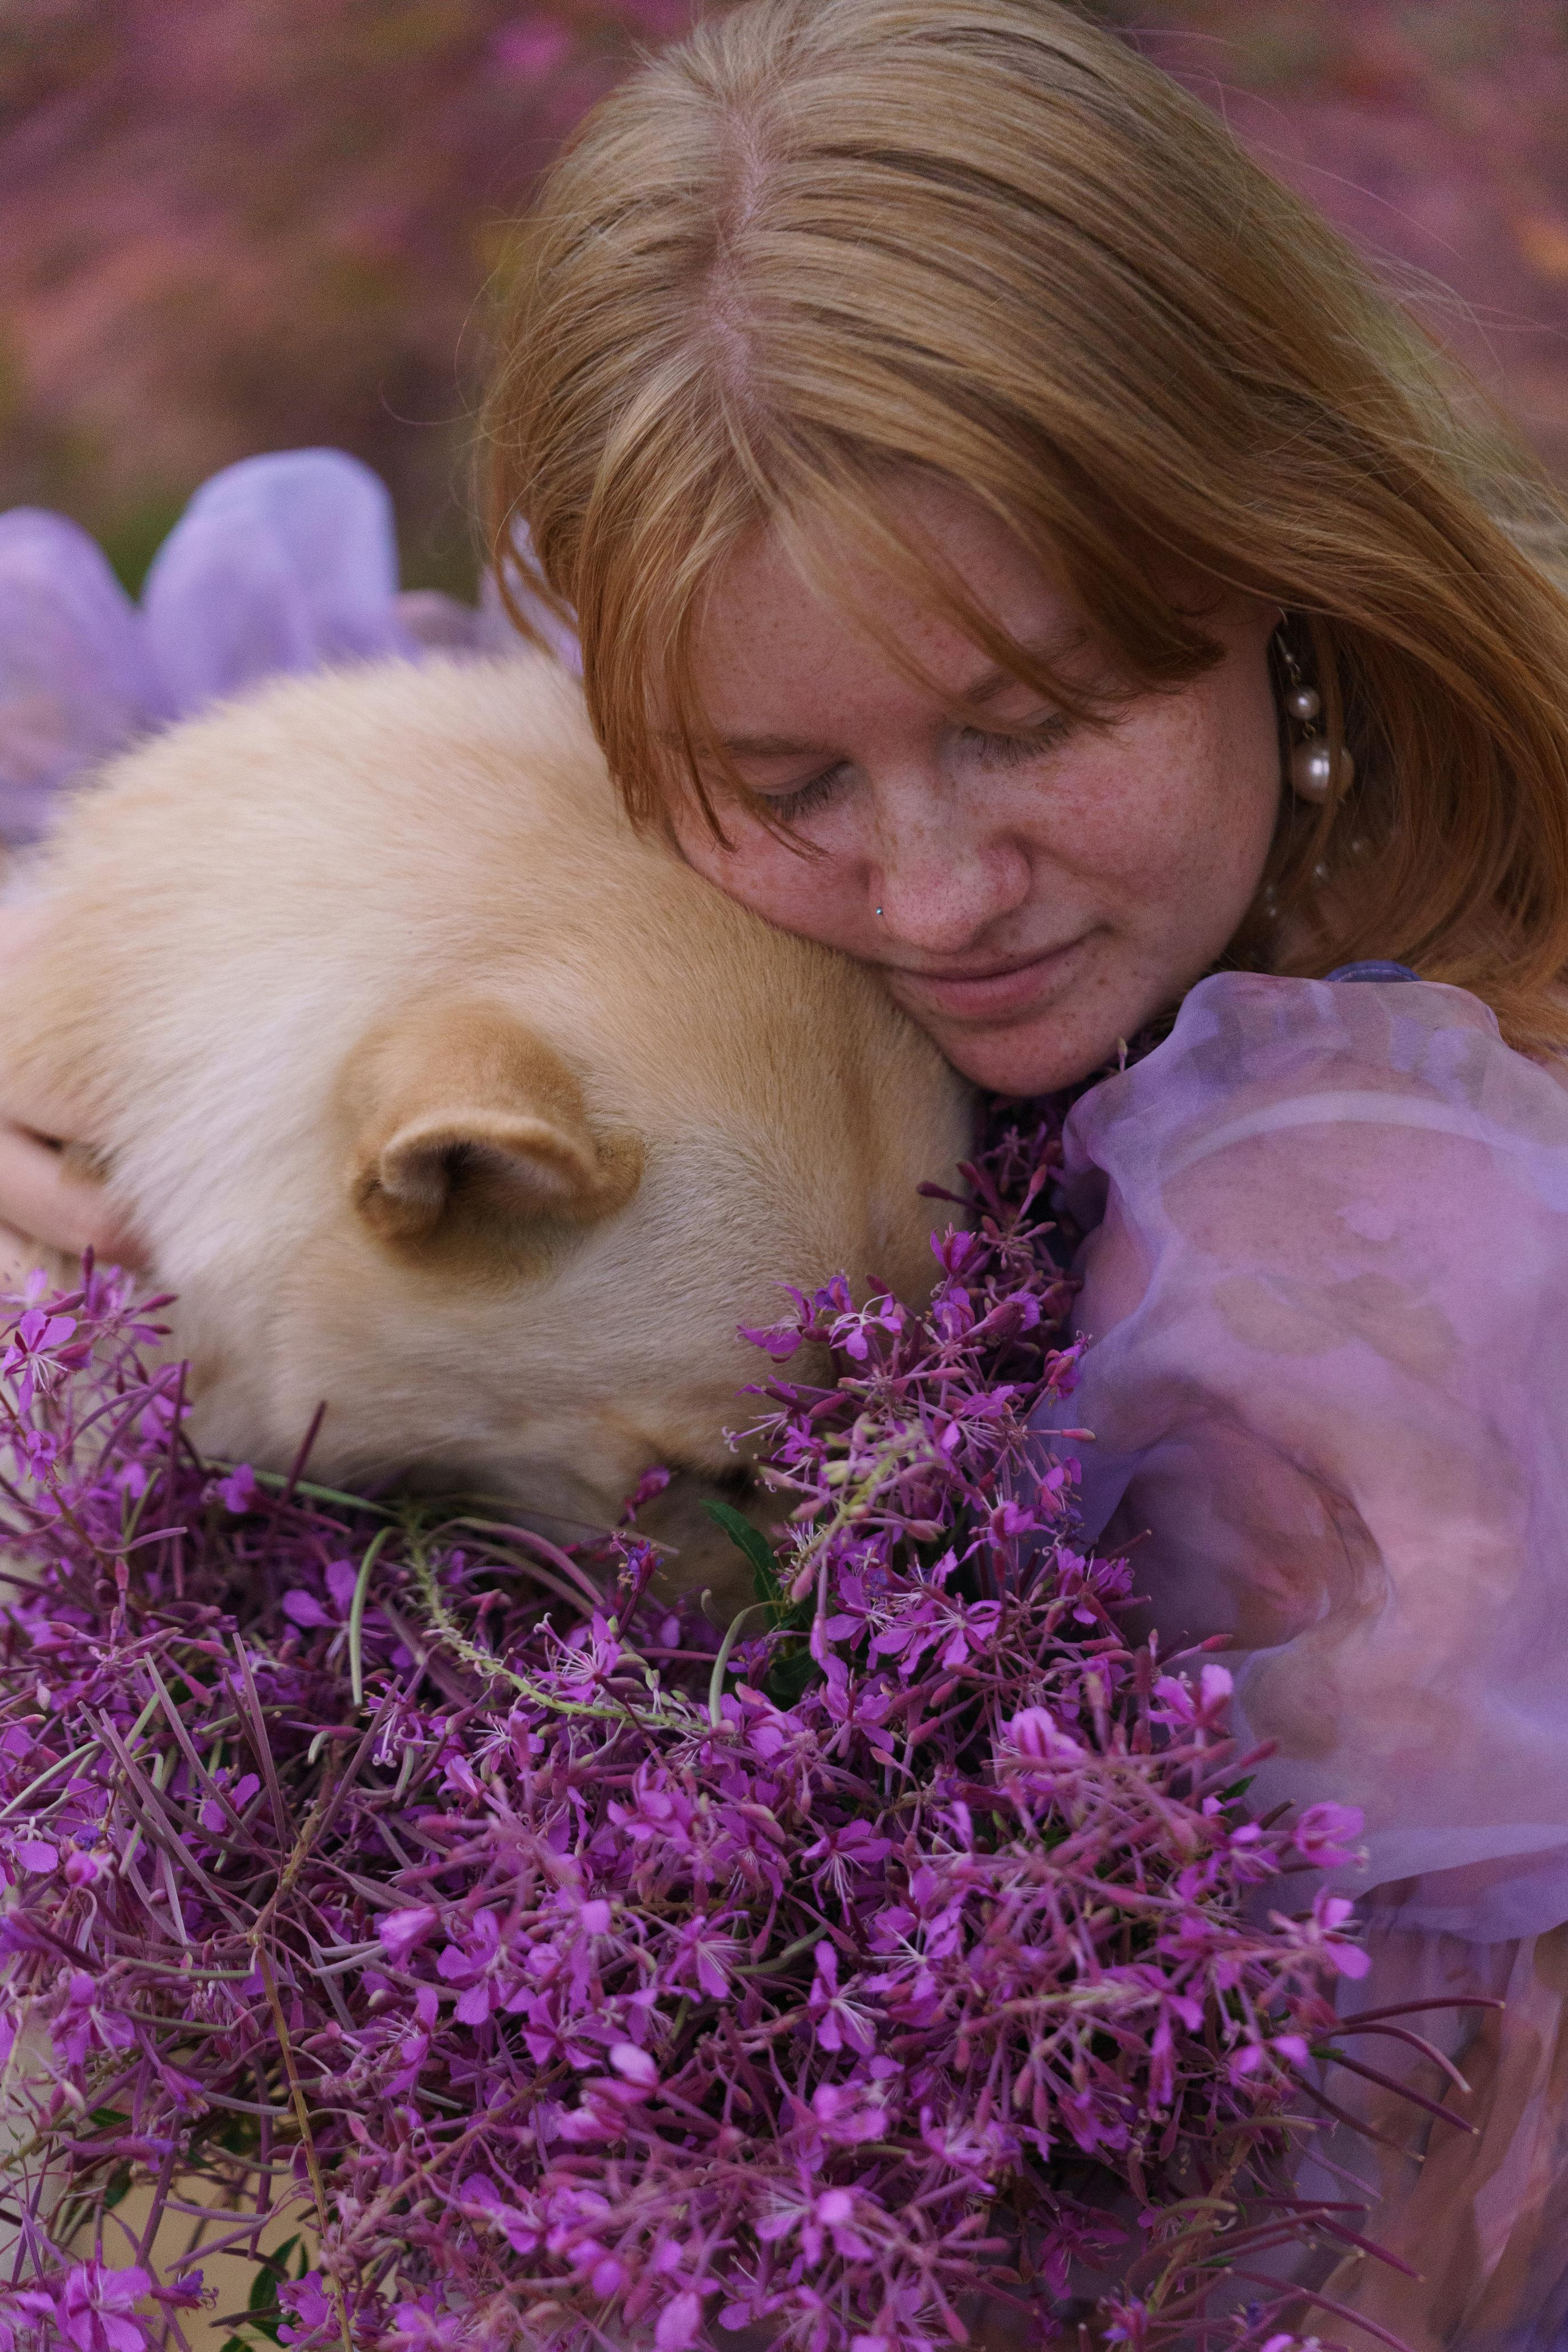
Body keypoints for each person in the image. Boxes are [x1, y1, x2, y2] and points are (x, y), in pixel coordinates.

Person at [6, 0, 1568, 2334]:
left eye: (1034, 722)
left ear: (1273, 555)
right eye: (787, 782)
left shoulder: (1386, 1270)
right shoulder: (663, 808)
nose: (937, 899)